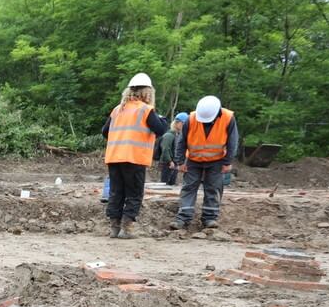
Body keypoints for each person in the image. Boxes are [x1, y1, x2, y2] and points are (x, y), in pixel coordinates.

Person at [101, 73, 169, 239]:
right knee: (134, 193)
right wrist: (163, 119)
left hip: (115, 157)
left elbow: (105, 132)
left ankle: (114, 228)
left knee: (116, 192)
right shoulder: (145, 110)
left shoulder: (118, 110)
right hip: (134, 158)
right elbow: (161, 130)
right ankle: (127, 228)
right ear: (147, 92)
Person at [171, 95, 238, 230]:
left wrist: (227, 162)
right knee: (189, 187)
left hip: (216, 161)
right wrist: (180, 161)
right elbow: (181, 142)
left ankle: (210, 218)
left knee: (213, 188)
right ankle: (183, 218)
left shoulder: (228, 118)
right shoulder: (191, 119)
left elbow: (233, 141)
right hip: (193, 160)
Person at [158, 112, 188, 185]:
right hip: (167, 164)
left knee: (171, 185)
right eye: (183, 123)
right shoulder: (169, 135)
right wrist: (170, 161)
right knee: (164, 185)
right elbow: (165, 149)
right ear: (177, 123)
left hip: (174, 164)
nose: (185, 126)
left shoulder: (178, 135)